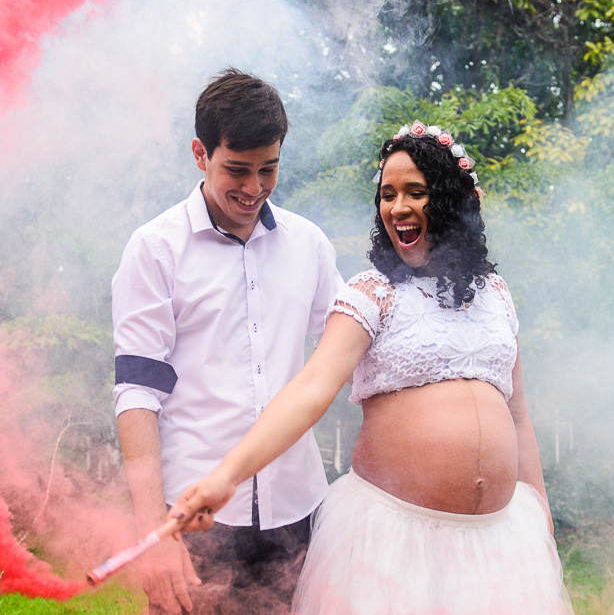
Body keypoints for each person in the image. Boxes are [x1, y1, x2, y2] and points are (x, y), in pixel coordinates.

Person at [170, 120, 573, 613]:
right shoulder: (373, 293)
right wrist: (227, 476)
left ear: (451, 200)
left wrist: (541, 521)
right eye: (387, 195)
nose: (397, 207)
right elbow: (310, 390)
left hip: (499, 543)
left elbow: (518, 416)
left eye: (415, 192)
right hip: (390, 543)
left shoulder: (496, 295)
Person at [112, 69, 344, 614]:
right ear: (200, 153)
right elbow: (137, 393)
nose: (255, 188)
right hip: (196, 516)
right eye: (237, 170)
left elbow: (347, 353)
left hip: (299, 507)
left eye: (269, 169)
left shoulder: (308, 244)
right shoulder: (155, 249)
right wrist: (153, 532)